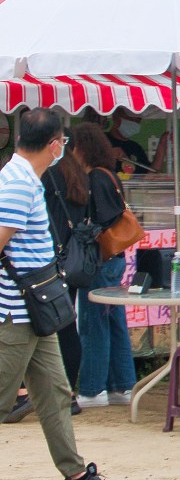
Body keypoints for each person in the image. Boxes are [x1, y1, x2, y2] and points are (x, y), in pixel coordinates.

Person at [0, 109, 127, 480]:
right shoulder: (18, 183)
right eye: (63, 144)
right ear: (55, 144)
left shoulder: (22, 176)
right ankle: (75, 476)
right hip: (17, 313)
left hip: (36, 311)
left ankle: (75, 475)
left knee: (55, 394)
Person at [69, 122, 137, 409]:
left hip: (99, 259)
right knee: (114, 321)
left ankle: (93, 388)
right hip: (116, 259)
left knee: (93, 322)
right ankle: (123, 385)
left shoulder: (94, 178)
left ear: (81, 148)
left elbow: (99, 221)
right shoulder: (110, 175)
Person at [40, 109, 85, 413]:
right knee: (68, 326)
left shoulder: (47, 174)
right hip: (75, 260)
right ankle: (70, 392)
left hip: (51, 262)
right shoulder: (78, 175)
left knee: (46, 328)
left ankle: (51, 394)